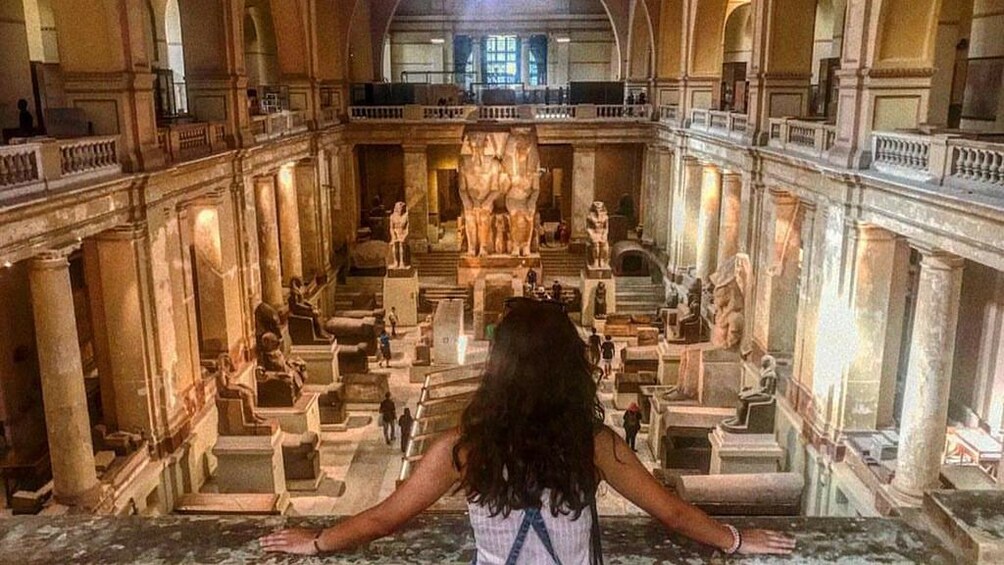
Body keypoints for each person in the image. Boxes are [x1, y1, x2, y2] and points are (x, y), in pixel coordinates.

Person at [261, 299, 795, 559]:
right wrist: (736, 539)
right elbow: (673, 513)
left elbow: (385, 518)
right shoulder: (596, 446)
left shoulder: (463, 449)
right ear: (569, 367)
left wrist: (316, 543)